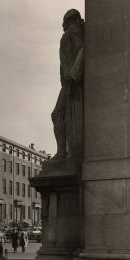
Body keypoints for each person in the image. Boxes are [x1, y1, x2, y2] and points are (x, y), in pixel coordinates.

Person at [51, 9, 84, 159]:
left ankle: (61, 152)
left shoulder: (73, 31)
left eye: (65, 21)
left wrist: (74, 75)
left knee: (57, 113)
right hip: (69, 80)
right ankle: (64, 151)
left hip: (71, 80)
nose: (63, 25)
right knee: (63, 115)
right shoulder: (71, 32)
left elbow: (81, 51)